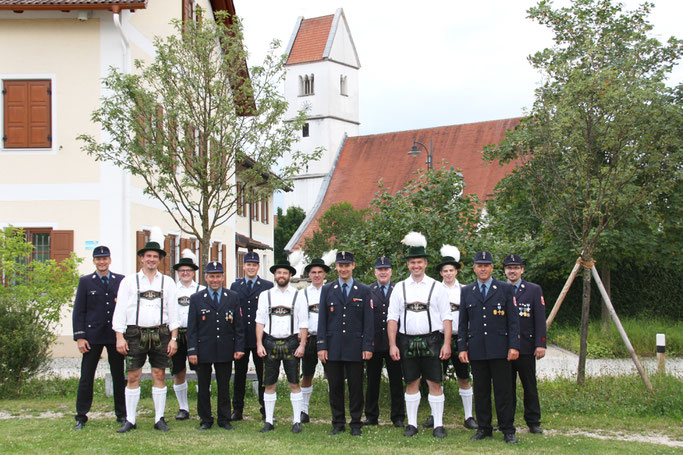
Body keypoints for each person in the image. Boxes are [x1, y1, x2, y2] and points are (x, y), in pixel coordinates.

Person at [112, 227, 179, 433]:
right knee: (133, 376)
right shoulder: (129, 282)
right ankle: (130, 419)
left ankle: (159, 418)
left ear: (160, 260)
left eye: (155, 257)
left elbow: (173, 312)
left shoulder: (167, 282)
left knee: (159, 374)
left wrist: (174, 338)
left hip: (161, 333)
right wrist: (119, 336)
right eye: (148, 256)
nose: (151, 260)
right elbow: (120, 309)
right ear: (141, 258)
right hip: (134, 333)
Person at [387, 232, 452, 439]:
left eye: (419, 262)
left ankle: (438, 425)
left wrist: (447, 344)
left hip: (432, 340)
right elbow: (392, 319)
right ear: (408, 265)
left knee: (435, 382)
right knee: (411, 382)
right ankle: (412, 424)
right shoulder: (399, 287)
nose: (416, 265)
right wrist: (392, 345)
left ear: (425, 263)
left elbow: (447, 318)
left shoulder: (437, 287)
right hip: (405, 340)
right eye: (413, 262)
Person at [458, 251, 520, 444]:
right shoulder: (467, 291)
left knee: (503, 391)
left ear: (492, 268)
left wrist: (514, 346)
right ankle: (484, 428)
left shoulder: (504, 289)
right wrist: (462, 347)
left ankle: (508, 429)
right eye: (479, 265)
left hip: (500, 349)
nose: (483, 268)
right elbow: (462, 323)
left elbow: (513, 321)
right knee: (481, 391)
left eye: (486, 265)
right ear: (474, 268)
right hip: (477, 349)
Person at [317, 251, 374, 436]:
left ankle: (356, 422)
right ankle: (338, 422)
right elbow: (322, 321)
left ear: (353, 266)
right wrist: (321, 346)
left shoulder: (364, 291)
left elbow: (368, 322)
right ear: (336, 267)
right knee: (335, 386)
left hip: (355, 347)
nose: (343, 269)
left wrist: (367, 346)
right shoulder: (327, 290)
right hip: (333, 347)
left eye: (346, 265)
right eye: (340, 266)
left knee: (356, 388)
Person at [422, 245, 477, 430]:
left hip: (459, 338)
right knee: (436, 378)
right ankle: (434, 415)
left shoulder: (465, 290)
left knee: (464, 377)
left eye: (451, 270)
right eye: (445, 271)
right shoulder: (434, 289)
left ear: (456, 271)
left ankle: (469, 416)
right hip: (438, 339)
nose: (448, 274)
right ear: (440, 273)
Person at [187, 261, 245, 431]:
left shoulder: (232, 297)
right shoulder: (196, 298)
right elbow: (192, 328)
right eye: (211, 276)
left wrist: (239, 348)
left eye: (218, 276)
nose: (215, 280)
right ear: (205, 277)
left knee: (224, 386)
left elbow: (239, 326)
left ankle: (224, 418)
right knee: (203, 386)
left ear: (222, 277)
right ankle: (205, 419)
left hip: (225, 348)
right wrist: (192, 351)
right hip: (203, 349)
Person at [72, 245, 126, 429]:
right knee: (86, 377)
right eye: (98, 259)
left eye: (105, 258)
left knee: (119, 376)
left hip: (114, 335)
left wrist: (124, 335)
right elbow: (79, 310)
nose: (102, 262)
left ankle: (122, 414)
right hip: (92, 336)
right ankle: (81, 416)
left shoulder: (121, 280)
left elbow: (126, 308)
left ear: (110, 260)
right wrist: (80, 337)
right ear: (94, 261)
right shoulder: (86, 282)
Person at [255, 260, 308, 434]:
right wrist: (259, 344)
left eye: (285, 273)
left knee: (294, 382)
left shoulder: (298, 295)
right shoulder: (266, 295)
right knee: (269, 384)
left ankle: (296, 421)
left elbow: (303, 321)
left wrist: (302, 344)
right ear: (275, 275)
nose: (282, 276)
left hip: (291, 342)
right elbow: (260, 321)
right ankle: (269, 421)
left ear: (290, 275)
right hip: (270, 342)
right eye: (279, 273)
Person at [503, 254, 546, 434]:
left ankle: (533, 421)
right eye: (509, 268)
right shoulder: (500, 288)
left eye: (516, 268)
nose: (512, 271)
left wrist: (540, 344)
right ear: (504, 270)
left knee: (529, 385)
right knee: (506, 387)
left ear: (522, 270)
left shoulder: (533, 290)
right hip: (504, 348)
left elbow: (540, 319)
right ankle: (506, 421)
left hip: (527, 347)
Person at [230, 251, 273, 421]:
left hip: (260, 339)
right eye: (248, 264)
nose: (251, 268)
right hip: (241, 337)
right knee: (239, 375)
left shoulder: (267, 286)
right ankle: (237, 409)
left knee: (263, 375)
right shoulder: (236, 286)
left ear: (258, 267)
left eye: (254, 265)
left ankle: (265, 408)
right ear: (243, 266)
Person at [363, 256, 405, 428]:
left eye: (386, 269)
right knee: (372, 382)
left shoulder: (399, 290)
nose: (383, 272)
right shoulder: (367, 291)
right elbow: (365, 319)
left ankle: (398, 417)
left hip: (394, 344)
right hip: (374, 344)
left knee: (396, 381)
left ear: (391, 272)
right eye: (380, 269)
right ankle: (371, 416)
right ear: (375, 272)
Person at [171, 249, 205, 421]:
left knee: (201, 371)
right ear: (178, 273)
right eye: (182, 270)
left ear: (193, 272)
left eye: (188, 270)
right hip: (177, 334)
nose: (185, 273)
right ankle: (183, 407)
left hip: (197, 335)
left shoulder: (201, 289)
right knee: (179, 371)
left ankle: (202, 406)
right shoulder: (171, 290)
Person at [299, 257, 330, 423]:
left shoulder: (331, 290)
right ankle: (304, 410)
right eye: (313, 272)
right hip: (310, 337)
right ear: (309, 274)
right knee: (307, 374)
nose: (317, 275)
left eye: (319, 272)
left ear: (324, 274)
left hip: (328, 339)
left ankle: (335, 408)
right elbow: (299, 316)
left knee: (332, 374)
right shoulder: (303, 293)